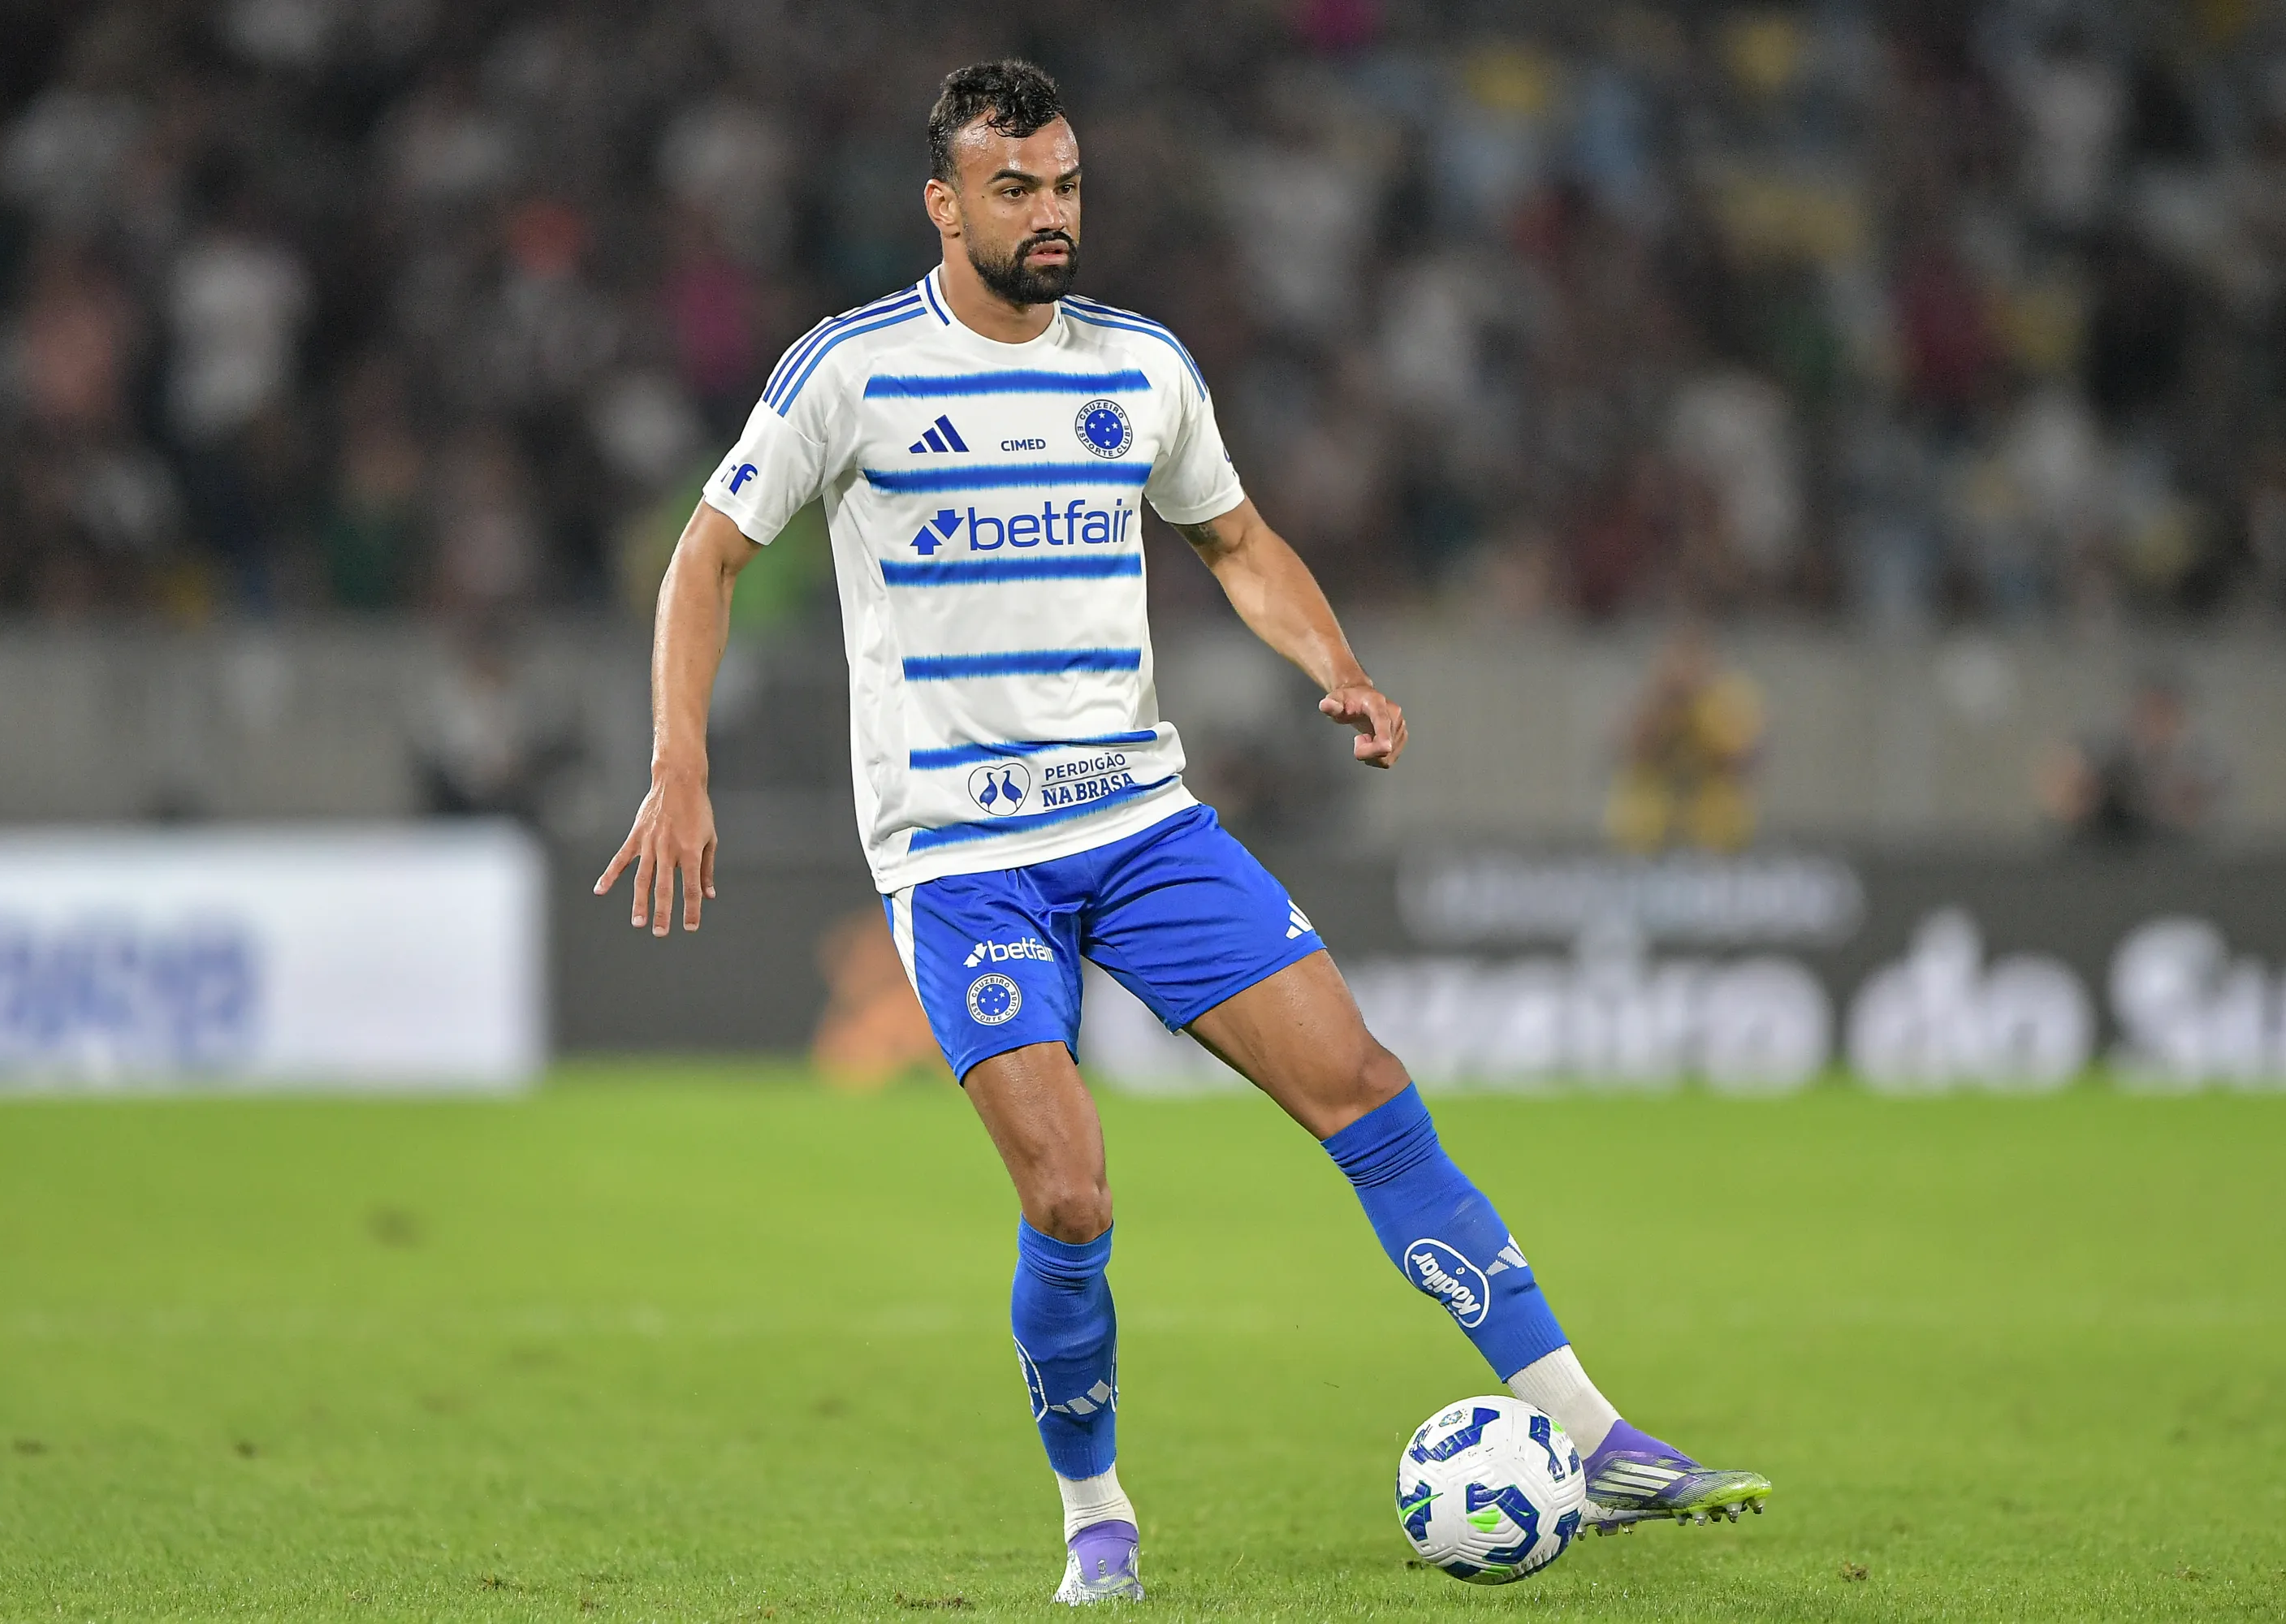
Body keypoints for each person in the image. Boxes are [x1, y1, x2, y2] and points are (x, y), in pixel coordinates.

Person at [596, 60, 1769, 1605]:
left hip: (1142, 824)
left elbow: (1236, 538)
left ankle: (1594, 1438)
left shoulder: (1140, 366)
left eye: (1067, 183)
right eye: (1014, 188)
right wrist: (679, 761)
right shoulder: (851, 371)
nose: (1051, 212)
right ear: (943, 204)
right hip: (960, 856)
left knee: (1363, 1085)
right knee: (1069, 1194)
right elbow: (707, 554)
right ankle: (1096, 1514)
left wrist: (1336, 666)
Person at [1605, 624, 1766, 854]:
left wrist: (1700, 715)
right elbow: (1630, 752)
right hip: (1647, 829)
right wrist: (1666, 710)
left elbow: (1740, 760)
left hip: (1715, 830)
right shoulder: (1648, 698)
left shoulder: (1728, 700)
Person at [2037, 672, 2226, 844]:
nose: (2156, 723)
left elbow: (2196, 811)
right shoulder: (2110, 753)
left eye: (2163, 713)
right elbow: (2064, 790)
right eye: (2150, 711)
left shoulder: (2198, 762)